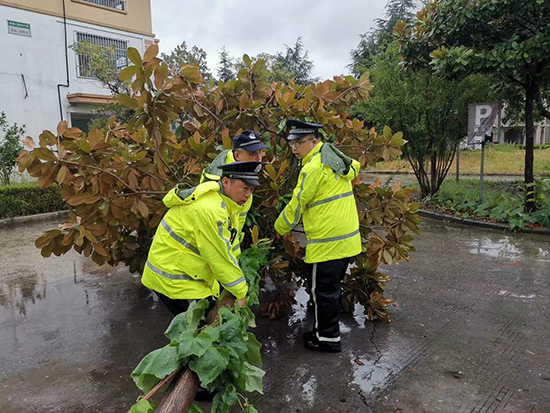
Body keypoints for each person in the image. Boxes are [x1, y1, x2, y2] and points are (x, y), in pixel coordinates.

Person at [274, 119, 362, 353]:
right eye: (291, 143)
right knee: (330, 290)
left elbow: (296, 204)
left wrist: (278, 229)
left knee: (322, 292)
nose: (294, 148)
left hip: (328, 243)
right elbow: (355, 165)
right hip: (346, 241)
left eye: (299, 142)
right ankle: (325, 331)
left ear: (314, 141)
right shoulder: (334, 160)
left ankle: (328, 339)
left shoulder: (313, 168)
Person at [142, 161, 263, 317]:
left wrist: (236, 269)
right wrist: (240, 292)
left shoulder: (227, 203)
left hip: (183, 271)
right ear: (225, 182)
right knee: (201, 329)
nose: (248, 195)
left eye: (252, 189)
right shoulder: (210, 210)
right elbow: (218, 256)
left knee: (202, 321)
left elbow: (228, 244)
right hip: (172, 278)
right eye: (244, 188)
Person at [200, 130, 267, 183]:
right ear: (237, 155)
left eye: (260, 152)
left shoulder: (242, 170)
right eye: (252, 153)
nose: (258, 157)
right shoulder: (218, 179)